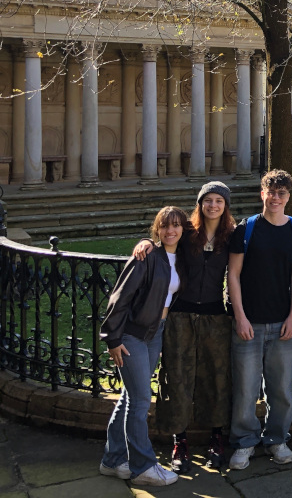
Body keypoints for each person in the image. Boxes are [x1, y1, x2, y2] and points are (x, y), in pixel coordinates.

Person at [131, 181, 237, 473]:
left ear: (225, 205)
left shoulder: (232, 236)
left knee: (216, 376)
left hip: (216, 316)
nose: (213, 205)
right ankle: (180, 440)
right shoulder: (189, 232)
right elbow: (166, 238)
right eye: (208, 200)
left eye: (218, 200)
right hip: (181, 316)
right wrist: (147, 244)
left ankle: (217, 436)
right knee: (176, 376)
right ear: (200, 204)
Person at [99, 207, 188, 487]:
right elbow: (120, 297)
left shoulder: (183, 258)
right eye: (164, 226)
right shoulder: (147, 256)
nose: (170, 231)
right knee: (139, 402)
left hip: (155, 334)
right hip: (132, 336)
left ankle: (112, 461)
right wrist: (113, 338)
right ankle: (143, 467)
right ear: (157, 229)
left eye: (176, 226)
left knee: (129, 397)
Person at [227, 169, 292, 471]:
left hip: (282, 323)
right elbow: (233, 274)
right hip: (250, 322)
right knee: (246, 389)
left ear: (288, 197)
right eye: (271, 192)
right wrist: (241, 317)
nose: (275, 198)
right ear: (263, 194)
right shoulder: (246, 229)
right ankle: (245, 442)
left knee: (283, 389)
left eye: (281, 193)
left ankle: (276, 439)